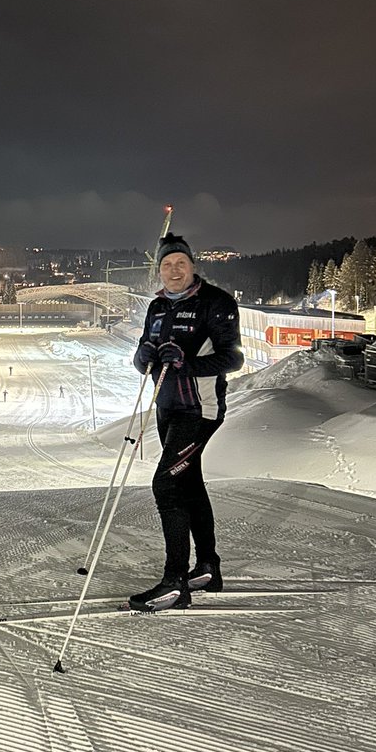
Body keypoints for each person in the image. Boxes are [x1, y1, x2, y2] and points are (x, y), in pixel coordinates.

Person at [129, 233, 243, 612]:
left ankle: (175, 581)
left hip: (199, 410)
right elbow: (144, 360)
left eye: (180, 263)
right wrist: (143, 355)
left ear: (193, 265)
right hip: (167, 408)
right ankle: (208, 566)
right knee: (189, 483)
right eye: (166, 265)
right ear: (159, 270)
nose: (173, 270)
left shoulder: (216, 303)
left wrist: (186, 363)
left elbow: (232, 359)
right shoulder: (157, 306)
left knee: (167, 485)